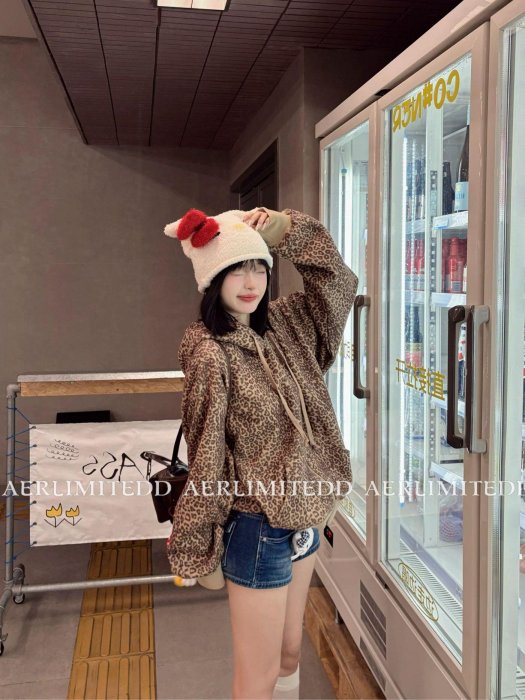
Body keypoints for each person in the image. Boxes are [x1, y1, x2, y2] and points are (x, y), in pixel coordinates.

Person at [163, 205, 358, 699]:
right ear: (213, 278)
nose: (251, 282)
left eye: (259, 267)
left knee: (291, 654)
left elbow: (339, 283)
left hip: (306, 517)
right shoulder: (211, 354)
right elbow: (206, 454)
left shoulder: (288, 326)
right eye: (236, 270)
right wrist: (196, 543)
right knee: (258, 675)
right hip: (257, 527)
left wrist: (288, 230)